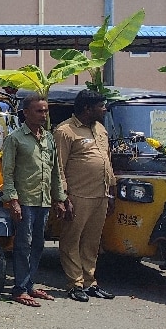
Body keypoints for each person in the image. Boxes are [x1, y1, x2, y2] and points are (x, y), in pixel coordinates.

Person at [1, 93, 68, 307]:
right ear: (26, 113)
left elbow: (56, 171)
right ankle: (19, 289)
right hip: (25, 200)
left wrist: (59, 198)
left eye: (46, 110)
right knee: (23, 244)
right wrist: (12, 200)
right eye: (39, 111)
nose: (44, 114)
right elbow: (8, 172)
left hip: (44, 200)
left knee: (39, 243)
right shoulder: (15, 138)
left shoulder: (48, 138)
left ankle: (29, 284)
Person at [54, 89, 116, 302]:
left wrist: (112, 189)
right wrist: (63, 198)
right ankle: (75, 284)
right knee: (72, 240)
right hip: (77, 196)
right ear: (87, 108)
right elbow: (58, 167)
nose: (104, 109)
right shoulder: (65, 131)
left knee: (92, 242)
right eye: (101, 106)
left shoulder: (100, 129)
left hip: (101, 195)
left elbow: (107, 160)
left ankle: (90, 283)